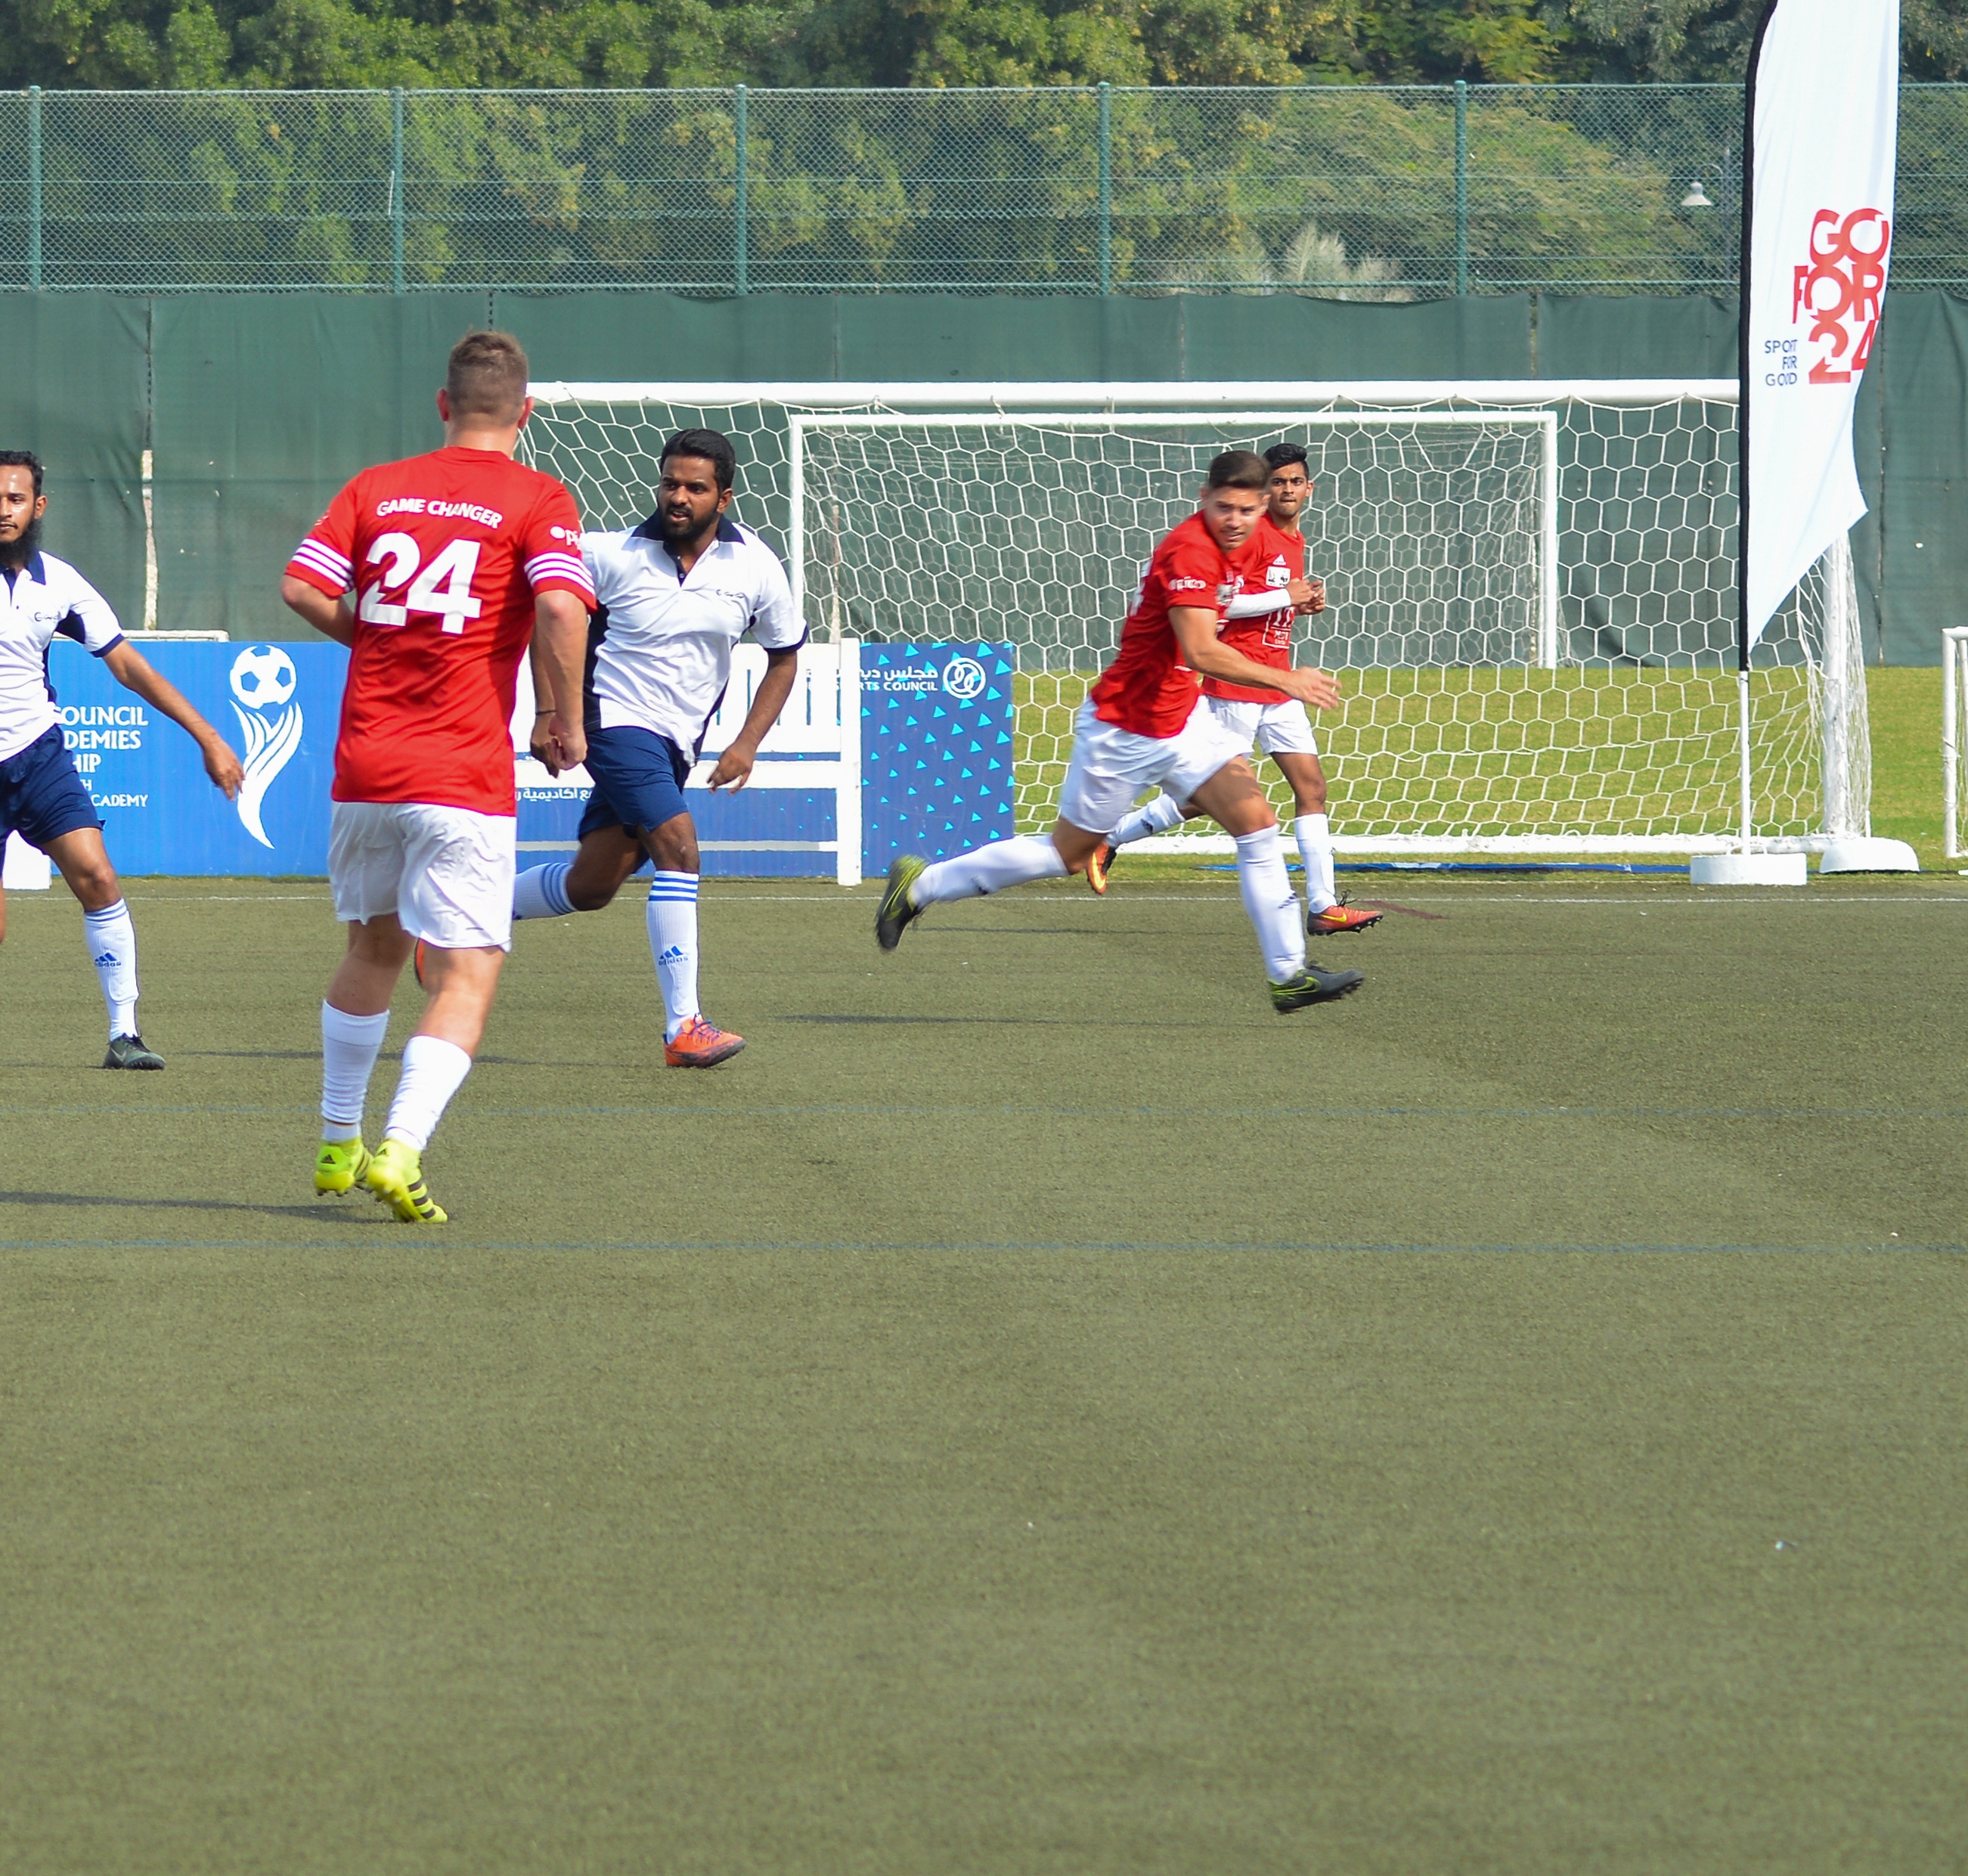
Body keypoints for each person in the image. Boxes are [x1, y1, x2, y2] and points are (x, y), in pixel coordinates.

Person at [280, 329, 593, 1221]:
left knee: (371, 949)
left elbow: (301, 588)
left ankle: (337, 1139)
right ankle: (401, 1149)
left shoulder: (376, 486)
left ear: (443, 405)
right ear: (526, 413)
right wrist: (565, 720)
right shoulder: (538, 495)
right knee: (466, 973)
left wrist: (374, 639)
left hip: (366, 768)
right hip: (459, 775)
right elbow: (561, 605)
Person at [872, 448, 1364, 1013]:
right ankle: (920, 886)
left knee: (1256, 825)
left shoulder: (1249, 544)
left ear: (1262, 507)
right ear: (1204, 499)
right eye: (1224, 508)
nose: (1235, 520)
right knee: (1067, 855)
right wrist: (1288, 679)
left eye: (1247, 510)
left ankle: (1289, 975)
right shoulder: (1190, 550)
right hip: (1124, 729)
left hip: (1182, 721)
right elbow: (1200, 650)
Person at [0, 450, 243, 1070]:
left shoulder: (61, 583)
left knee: (97, 875)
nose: (3, 510)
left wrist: (207, 736)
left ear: (37, 507)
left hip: (39, 757)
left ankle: (125, 1034)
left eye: (16, 499)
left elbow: (128, 665)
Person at [511, 426, 803, 1067]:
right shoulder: (608, 553)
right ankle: (684, 1027)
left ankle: (458, 919)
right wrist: (550, 713)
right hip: (610, 721)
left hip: (676, 744)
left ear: (723, 497)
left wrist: (747, 743)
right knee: (680, 847)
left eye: (695, 488)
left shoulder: (756, 565)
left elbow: (784, 656)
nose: (678, 497)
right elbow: (545, 616)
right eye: (670, 483)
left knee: (593, 885)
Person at [1086, 442, 1376, 933]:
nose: (1287, 490)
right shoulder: (1249, 535)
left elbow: (1268, 604)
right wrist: (1284, 595)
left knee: (1312, 788)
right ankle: (1110, 836)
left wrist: (1298, 604)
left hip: (1280, 687)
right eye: (1278, 482)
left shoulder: (1293, 539)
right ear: (1264, 492)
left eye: (1295, 481)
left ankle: (1323, 906)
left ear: (1310, 488)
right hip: (1238, 682)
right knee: (1207, 797)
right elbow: (1222, 604)